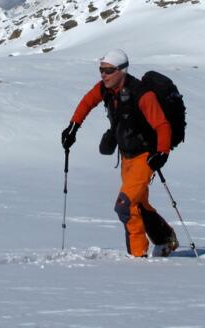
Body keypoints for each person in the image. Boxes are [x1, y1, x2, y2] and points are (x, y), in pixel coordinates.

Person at [61, 49, 179, 257]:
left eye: (108, 70)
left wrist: (162, 153)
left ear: (122, 71)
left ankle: (137, 257)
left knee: (124, 205)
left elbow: (162, 125)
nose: (103, 75)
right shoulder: (106, 89)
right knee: (139, 204)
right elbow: (86, 102)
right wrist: (73, 128)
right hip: (126, 157)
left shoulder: (142, 94)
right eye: (101, 70)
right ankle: (165, 239)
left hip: (145, 157)